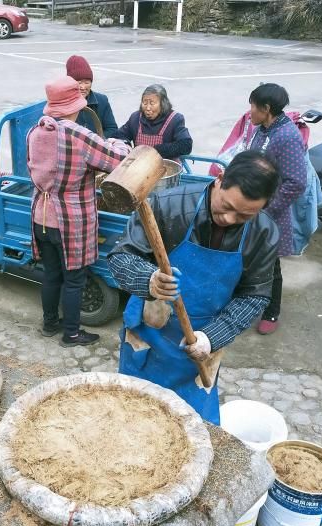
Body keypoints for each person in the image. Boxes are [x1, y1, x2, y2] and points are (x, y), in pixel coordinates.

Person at [108, 151, 280, 425]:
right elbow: (121, 258)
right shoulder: (167, 206)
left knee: (191, 423)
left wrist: (212, 338)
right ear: (219, 180)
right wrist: (148, 280)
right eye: (226, 206)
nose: (230, 219)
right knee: (135, 415)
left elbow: (254, 296)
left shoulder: (264, 233)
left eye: (245, 215)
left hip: (200, 343)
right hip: (149, 335)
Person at [28, 75, 130, 347]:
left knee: (51, 274)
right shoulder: (78, 135)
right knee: (74, 279)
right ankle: (71, 334)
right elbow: (117, 160)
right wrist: (120, 143)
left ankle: (50, 324)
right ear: (76, 106)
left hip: (41, 216)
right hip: (70, 220)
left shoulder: (35, 131)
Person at [247, 83, 308, 335]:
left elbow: (296, 182)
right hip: (250, 208)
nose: (249, 111)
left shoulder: (287, 136)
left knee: (269, 264)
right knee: (248, 259)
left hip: (270, 213)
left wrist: (267, 210)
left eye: (253, 106)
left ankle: (272, 311)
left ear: (267, 108)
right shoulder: (263, 129)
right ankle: (246, 302)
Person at [113, 84, 192, 162]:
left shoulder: (175, 119)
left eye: (152, 103)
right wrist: (126, 146)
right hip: (139, 166)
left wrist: (157, 150)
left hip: (165, 168)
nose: (147, 108)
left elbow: (186, 145)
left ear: (163, 104)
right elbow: (118, 135)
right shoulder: (136, 118)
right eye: (145, 103)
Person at [65, 55, 118, 138]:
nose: (83, 87)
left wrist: (96, 142)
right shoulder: (62, 102)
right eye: (79, 83)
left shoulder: (102, 100)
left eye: (87, 82)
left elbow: (112, 129)